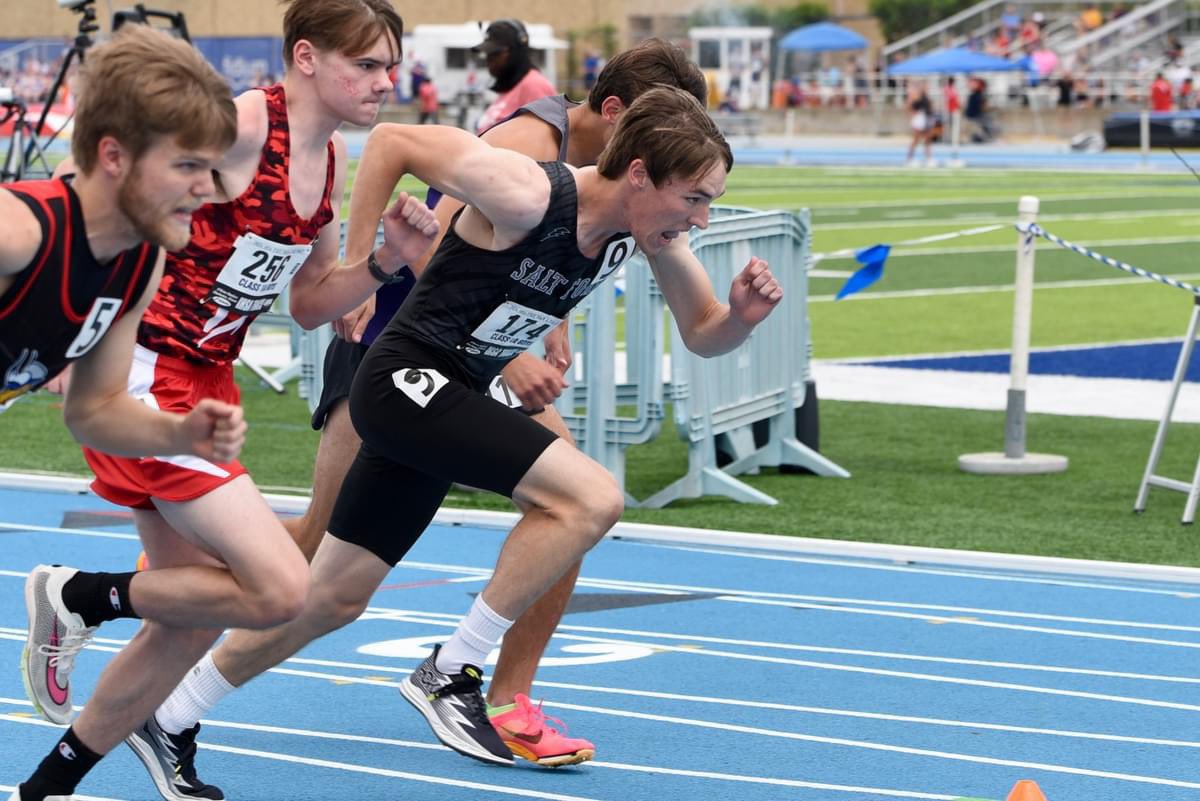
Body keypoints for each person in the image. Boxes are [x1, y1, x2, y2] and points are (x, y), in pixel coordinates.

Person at [133, 84, 782, 778]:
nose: (702, 218)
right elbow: (394, 142)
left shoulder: (647, 232)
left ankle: (167, 715)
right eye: (693, 197)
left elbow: (705, 332)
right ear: (640, 174)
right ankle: (452, 668)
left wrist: (741, 317)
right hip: (403, 381)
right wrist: (364, 263)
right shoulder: (528, 192)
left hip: (450, 396)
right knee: (589, 496)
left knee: (331, 597)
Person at [11, 3, 439, 801]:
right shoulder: (239, 127)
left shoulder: (331, 157)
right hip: (147, 368)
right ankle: (79, 593)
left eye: (391, 65)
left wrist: (384, 263)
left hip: (197, 384)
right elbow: (112, 203)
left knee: (192, 619)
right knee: (279, 587)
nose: (387, 81)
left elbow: (310, 303)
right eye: (369, 64)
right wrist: (90, 321)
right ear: (305, 57)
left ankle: (45, 788)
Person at [4, 23, 243, 801]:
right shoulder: (17, 232)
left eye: (211, 165)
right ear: (114, 155)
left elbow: (95, 411)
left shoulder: (139, 259)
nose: (206, 189)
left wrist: (177, 432)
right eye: (186, 165)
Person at [472, 18, 556, 134]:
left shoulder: (534, 86)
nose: (489, 59)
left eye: (495, 53)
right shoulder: (511, 86)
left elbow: (544, 140)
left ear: (517, 51)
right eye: (487, 53)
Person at [905, 83, 934, 166]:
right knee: (916, 140)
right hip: (920, 119)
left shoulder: (927, 98)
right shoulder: (917, 97)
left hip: (927, 119)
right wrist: (914, 114)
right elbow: (909, 107)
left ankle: (929, 158)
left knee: (928, 140)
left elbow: (930, 108)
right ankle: (909, 159)